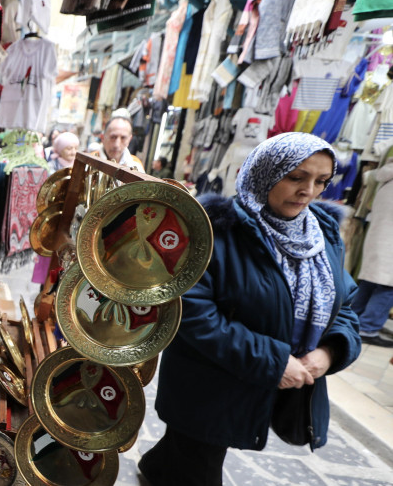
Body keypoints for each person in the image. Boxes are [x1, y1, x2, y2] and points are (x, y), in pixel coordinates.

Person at [138, 133, 361, 486]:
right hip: (209, 382)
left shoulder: (322, 233)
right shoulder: (215, 230)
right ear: (265, 173)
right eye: (296, 177)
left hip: (262, 380)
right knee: (198, 457)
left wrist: (330, 352)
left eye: (321, 181)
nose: (309, 191)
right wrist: (273, 361)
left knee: (187, 453)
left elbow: (344, 303)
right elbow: (192, 314)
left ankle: (159, 466)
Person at [350, 141, 393, 347]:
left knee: (371, 278)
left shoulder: (387, 176)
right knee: (388, 284)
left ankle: (355, 318)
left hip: (380, 236)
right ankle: (368, 326)